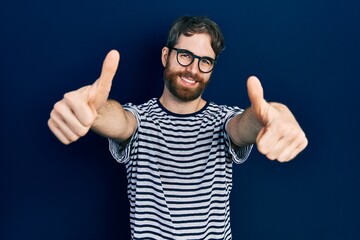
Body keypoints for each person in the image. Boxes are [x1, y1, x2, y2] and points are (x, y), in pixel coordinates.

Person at [48, 16, 308, 240]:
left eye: (205, 61)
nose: (193, 69)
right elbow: (119, 121)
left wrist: (274, 114)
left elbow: (244, 125)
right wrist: (93, 111)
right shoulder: (139, 119)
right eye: (185, 55)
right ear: (166, 55)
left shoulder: (223, 120)